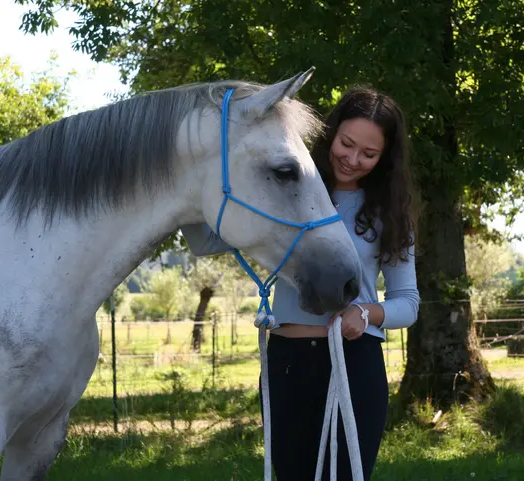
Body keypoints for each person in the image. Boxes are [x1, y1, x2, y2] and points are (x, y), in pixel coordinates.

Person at [180, 86, 420, 481]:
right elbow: (206, 239)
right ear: (332, 133)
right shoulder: (285, 194)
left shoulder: (389, 216)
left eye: (369, 154)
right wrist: (189, 182)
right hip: (286, 363)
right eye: (347, 143)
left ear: (385, 158)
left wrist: (365, 311)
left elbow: (407, 303)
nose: (353, 159)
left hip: (353, 363)